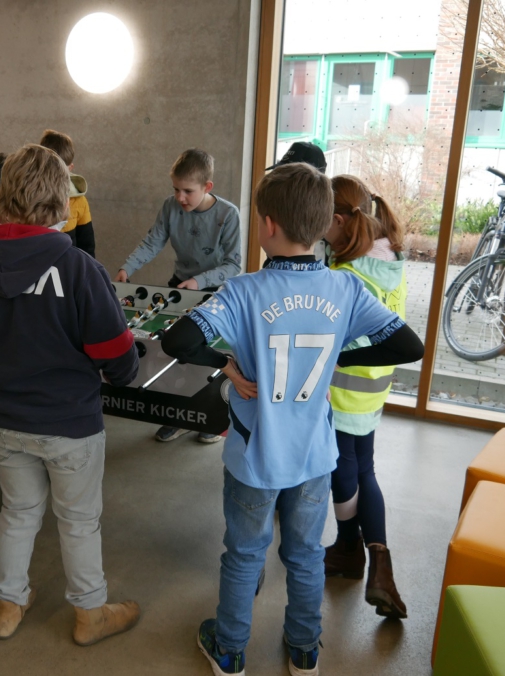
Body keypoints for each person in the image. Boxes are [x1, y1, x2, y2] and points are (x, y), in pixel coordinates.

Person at [161, 163, 424, 676]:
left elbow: (178, 341)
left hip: (253, 458)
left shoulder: (242, 290)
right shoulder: (346, 290)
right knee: (305, 556)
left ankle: (230, 650)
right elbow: (407, 345)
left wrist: (226, 365)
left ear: (267, 225)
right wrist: (340, 356)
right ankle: (305, 650)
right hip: (315, 457)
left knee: (244, 554)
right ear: (323, 224)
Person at [0, 144, 141, 645]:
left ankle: (7, 605)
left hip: (2, 421)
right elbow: (120, 363)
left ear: (0, 198)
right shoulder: (79, 269)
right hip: (69, 425)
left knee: (17, 512)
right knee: (78, 521)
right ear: (62, 203)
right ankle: (90, 615)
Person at [322, 175, 408, 619]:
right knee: (364, 469)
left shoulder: (346, 275)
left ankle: (350, 551)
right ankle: (377, 566)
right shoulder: (390, 261)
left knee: (343, 472)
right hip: (375, 386)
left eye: (321, 219)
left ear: (339, 221)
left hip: (343, 389)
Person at [115, 148, 241, 444]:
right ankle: (179, 416)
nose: (180, 197)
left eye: (188, 191)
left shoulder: (228, 214)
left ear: (207, 187)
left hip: (214, 294)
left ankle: (209, 419)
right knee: (172, 352)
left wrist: (200, 281)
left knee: (205, 356)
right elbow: (152, 242)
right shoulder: (170, 206)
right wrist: (126, 267)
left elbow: (233, 265)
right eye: (176, 189)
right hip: (179, 288)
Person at [39, 129, 95, 257]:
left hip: (68, 265)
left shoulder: (79, 201)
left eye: (61, 171)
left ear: (70, 168)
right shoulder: (30, 196)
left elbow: (87, 247)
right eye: (50, 169)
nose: (55, 176)